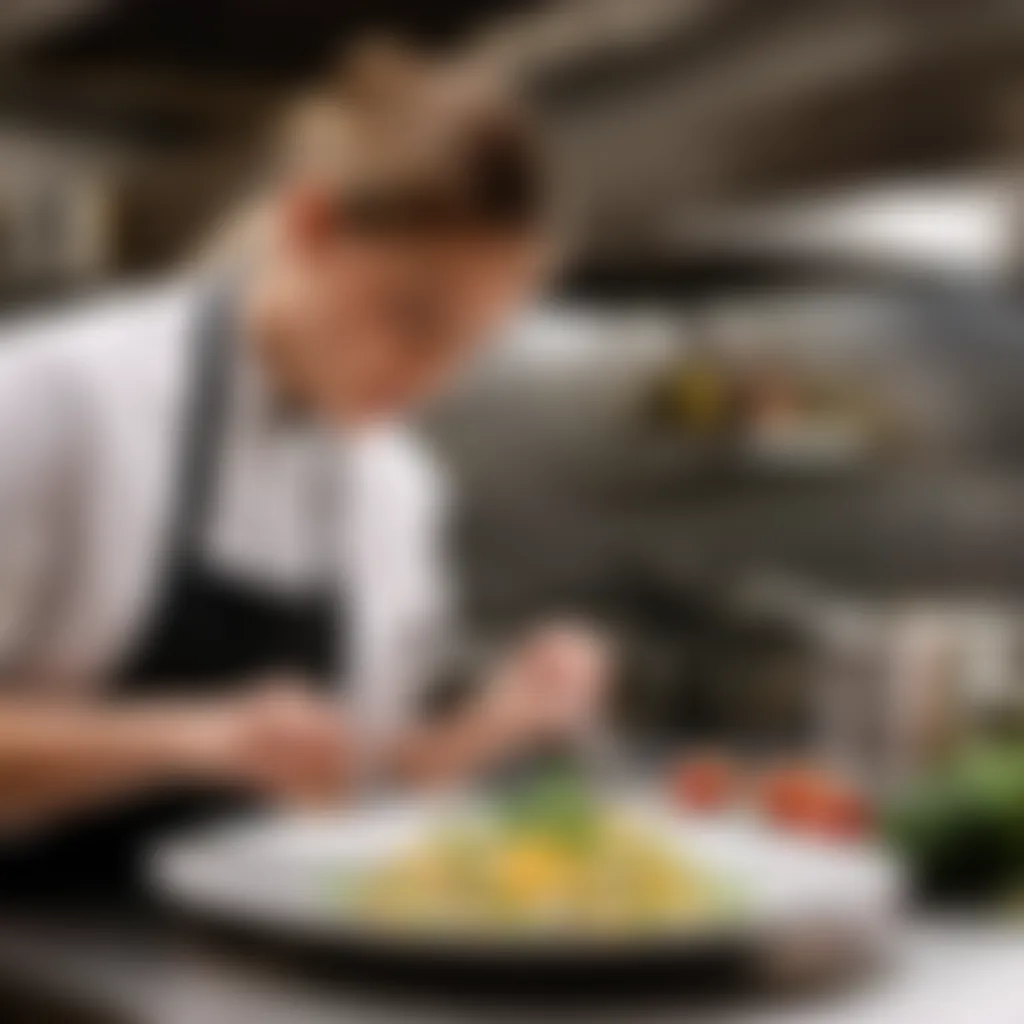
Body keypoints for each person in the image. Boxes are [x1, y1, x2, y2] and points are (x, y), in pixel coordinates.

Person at [0, 43, 610, 894]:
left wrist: (493, 725)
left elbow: (356, 795)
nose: (428, 375)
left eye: (467, 348)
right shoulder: (59, 398)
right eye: (411, 316)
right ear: (309, 226)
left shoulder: (398, 488)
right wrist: (186, 740)